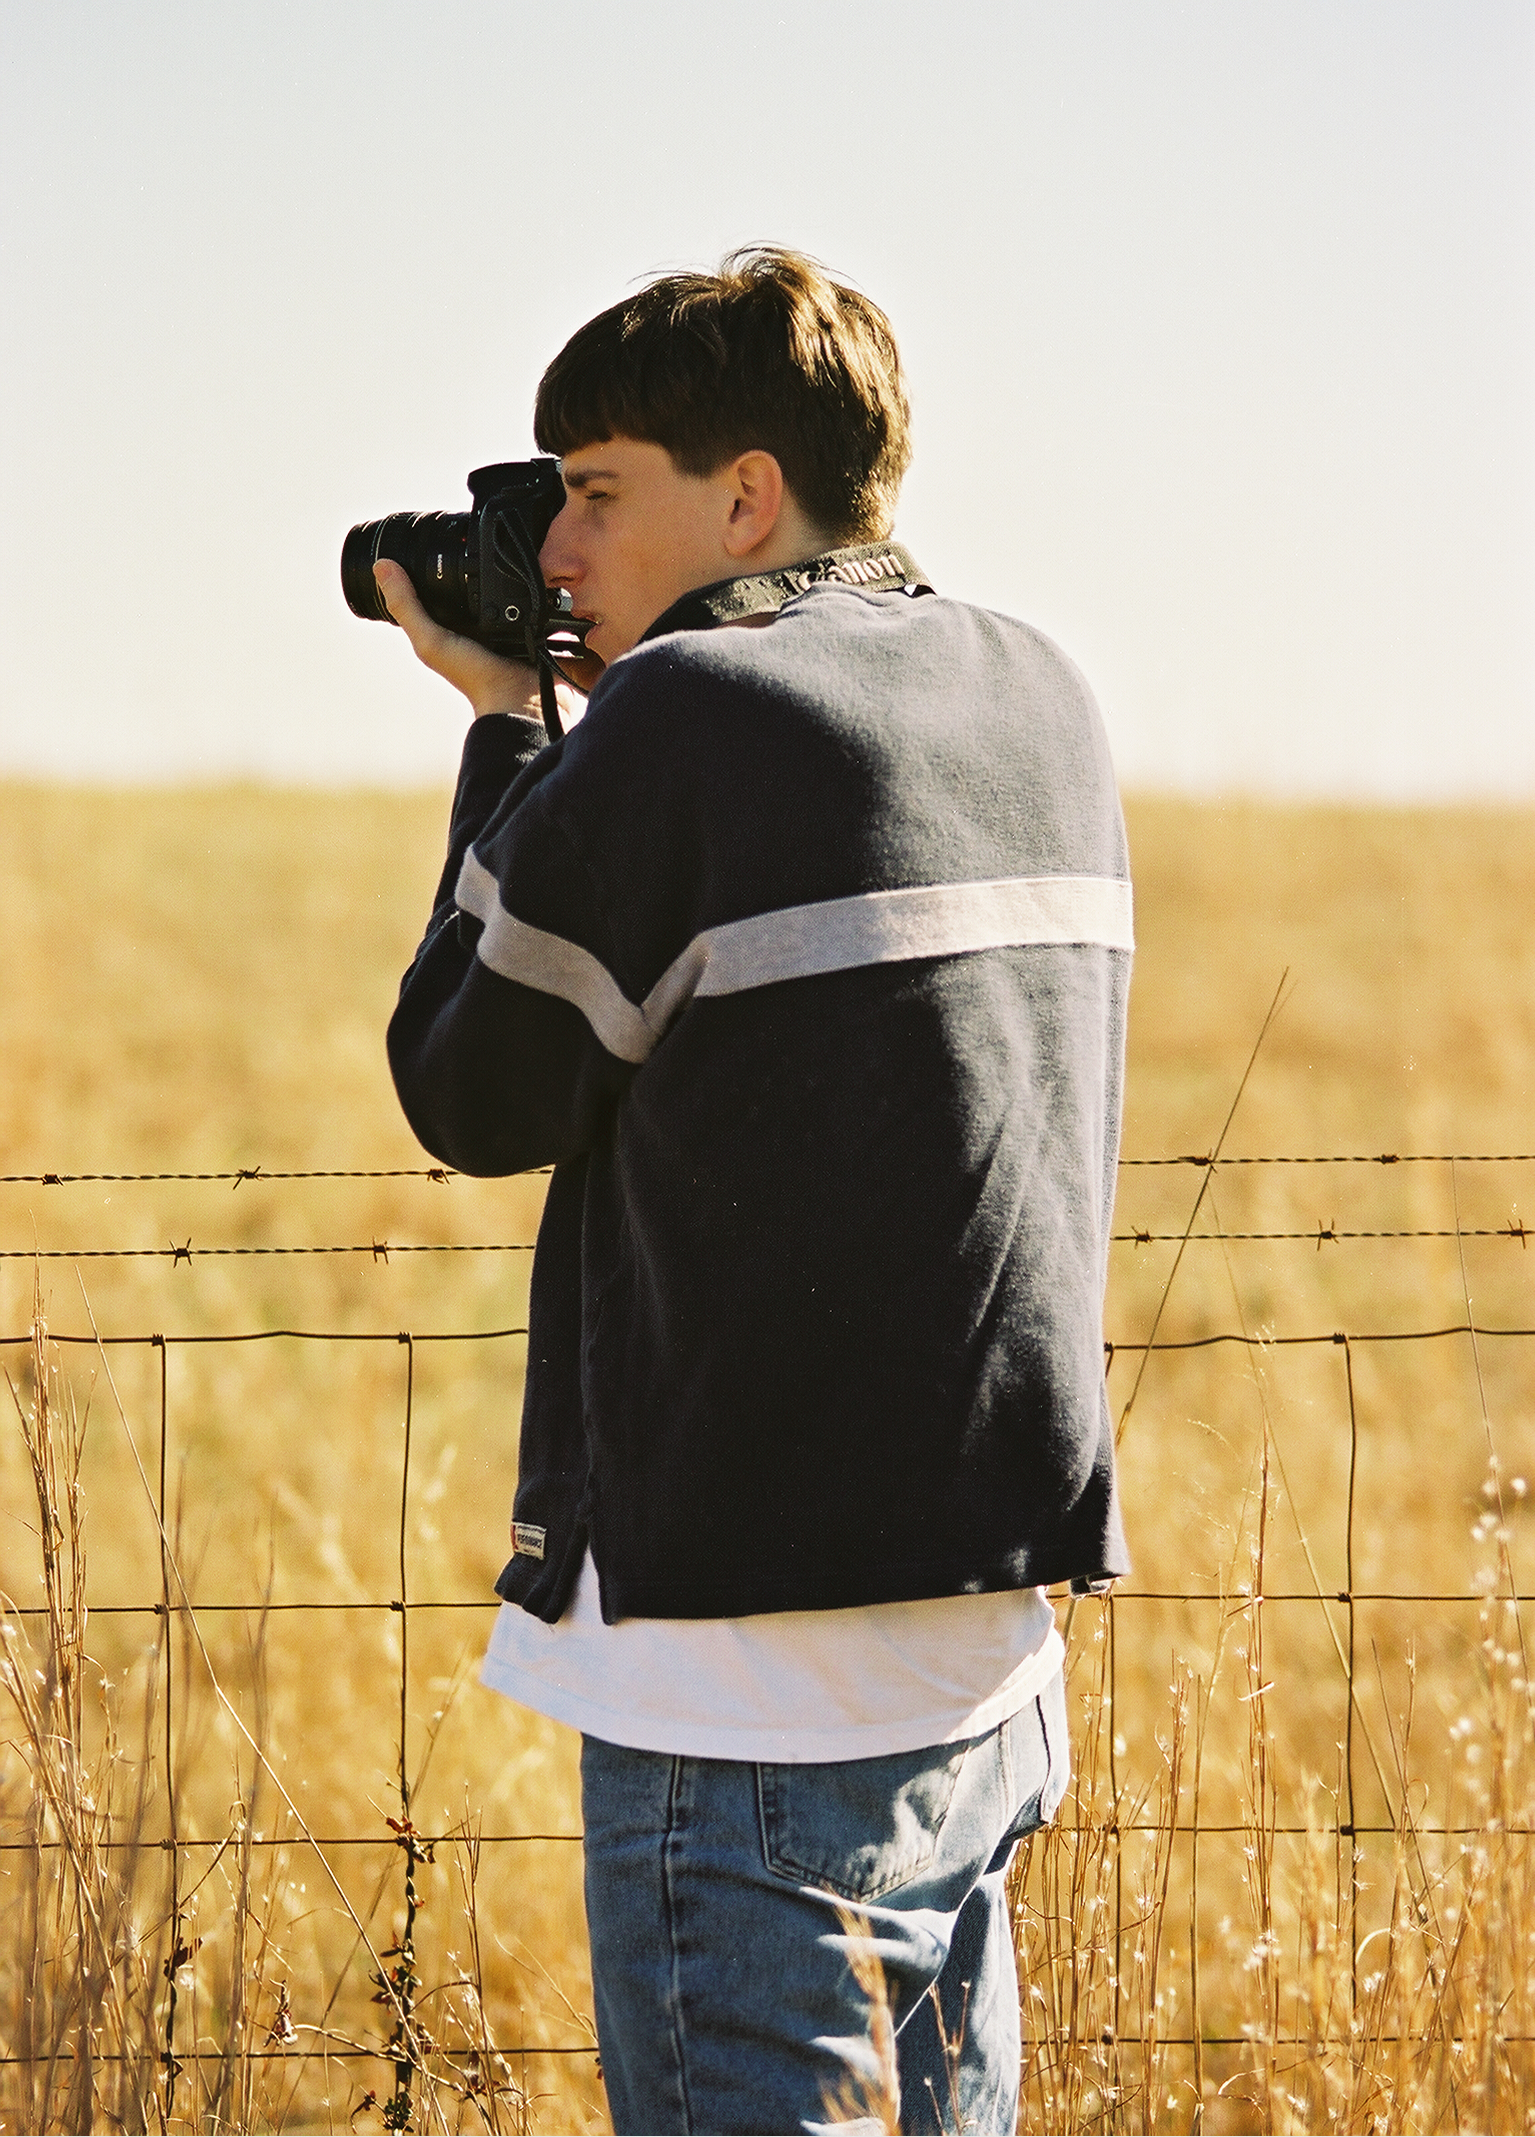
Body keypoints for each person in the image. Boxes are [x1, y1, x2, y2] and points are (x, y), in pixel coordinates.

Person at [377, 247, 1131, 2136]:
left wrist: (502, 732)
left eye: (597, 490)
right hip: (983, 1649)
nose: (554, 553)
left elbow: (466, 1081)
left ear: (747, 495)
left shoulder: (692, 716)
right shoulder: (1043, 691)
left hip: (743, 1691)